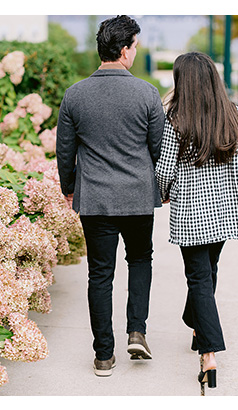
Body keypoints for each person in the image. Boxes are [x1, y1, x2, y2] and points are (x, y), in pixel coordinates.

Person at [56, 15, 165, 377]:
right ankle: (137, 330)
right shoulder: (147, 93)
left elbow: (65, 150)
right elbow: (157, 149)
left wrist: (69, 189)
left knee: (99, 275)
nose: (135, 51)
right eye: (134, 45)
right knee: (140, 260)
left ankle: (104, 355)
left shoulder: (75, 95)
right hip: (136, 196)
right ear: (123, 50)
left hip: (96, 199)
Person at [155, 52, 238, 390]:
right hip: (225, 211)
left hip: (191, 212)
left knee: (199, 278)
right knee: (207, 273)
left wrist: (161, 192)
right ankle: (197, 322)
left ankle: (209, 352)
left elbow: (165, 167)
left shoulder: (175, 119)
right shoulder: (234, 115)